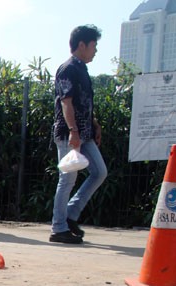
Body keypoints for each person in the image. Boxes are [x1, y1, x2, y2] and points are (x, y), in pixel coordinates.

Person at [49, 24, 107, 244]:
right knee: (68, 178)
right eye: (94, 45)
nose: (96, 50)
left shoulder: (82, 69)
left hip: (85, 133)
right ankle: (58, 228)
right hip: (69, 133)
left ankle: (71, 214)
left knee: (99, 172)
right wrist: (73, 131)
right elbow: (66, 102)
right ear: (82, 45)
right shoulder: (68, 69)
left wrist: (94, 125)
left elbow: (83, 104)